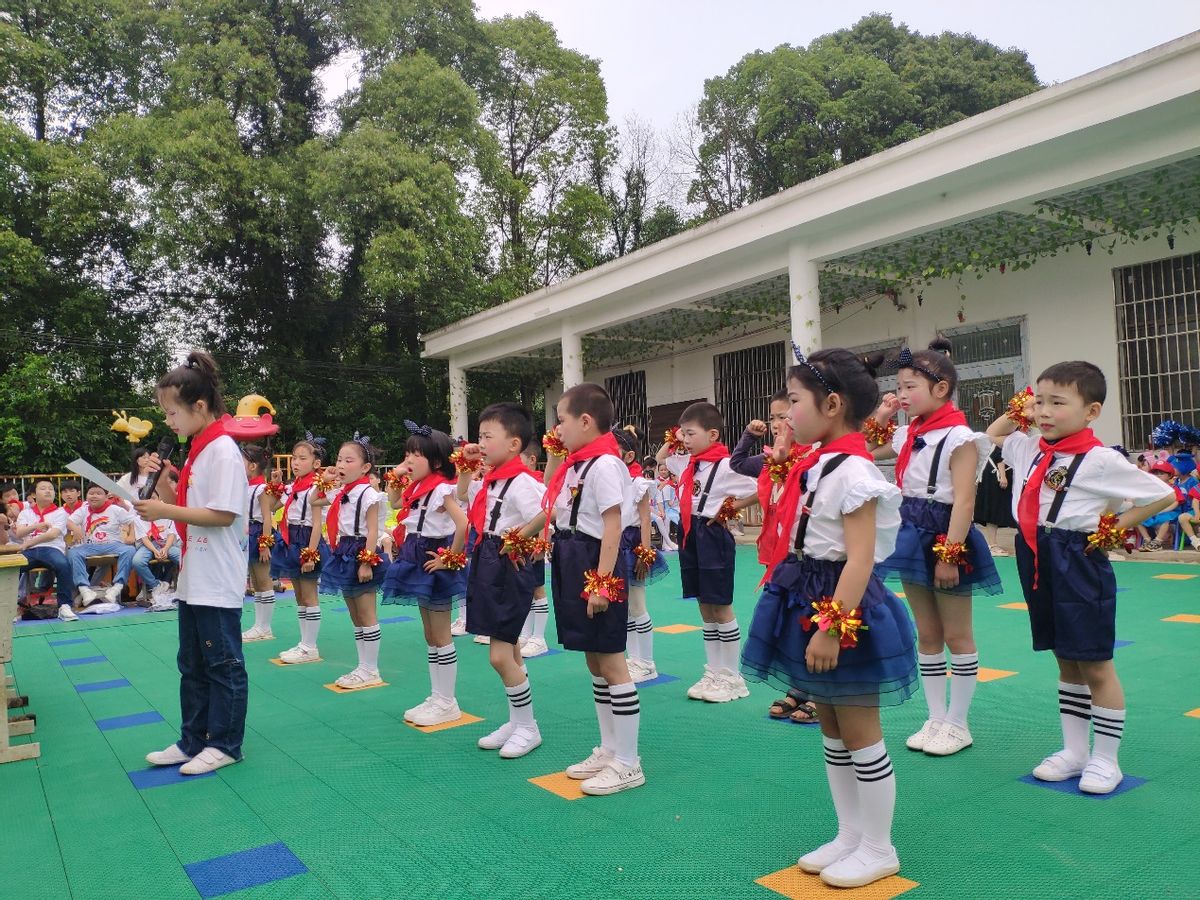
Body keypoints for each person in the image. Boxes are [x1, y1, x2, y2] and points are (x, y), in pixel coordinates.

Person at [741, 348, 916, 888]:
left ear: (833, 404)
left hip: (841, 604)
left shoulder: (855, 469)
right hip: (808, 591)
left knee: (860, 727)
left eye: (794, 401)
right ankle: (850, 833)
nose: (787, 413)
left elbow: (861, 558)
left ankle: (880, 846)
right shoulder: (818, 461)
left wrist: (830, 626)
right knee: (833, 725)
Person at [986, 361, 1176, 793]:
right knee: (1064, 656)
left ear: (1091, 411)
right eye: (1039, 401)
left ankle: (1106, 759)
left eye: (1057, 402)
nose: (1044, 411)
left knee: (1093, 659)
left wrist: (1113, 527)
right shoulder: (1029, 447)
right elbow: (994, 436)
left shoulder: (1100, 459)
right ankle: (1074, 751)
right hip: (1035, 555)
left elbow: (1164, 494)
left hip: (1077, 555)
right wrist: (1021, 409)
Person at [868, 341, 1001, 756]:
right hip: (910, 530)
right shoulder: (910, 431)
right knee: (927, 633)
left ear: (941, 389)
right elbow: (862, 452)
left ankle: (959, 723)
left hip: (945, 533)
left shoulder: (961, 436)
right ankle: (935, 717)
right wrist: (882, 416)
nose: (902, 395)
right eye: (899, 387)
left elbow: (964, 501)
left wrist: (950, 553)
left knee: (957, 635)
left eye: (910, 387)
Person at [136, 351, 250, 775]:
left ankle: (225, 744)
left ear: (199, 407)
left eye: (172, 413)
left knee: (222, 664)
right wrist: (165, 490)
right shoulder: (200, 450)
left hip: (216, 578)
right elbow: (190, 510)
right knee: (193, 664)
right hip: (195, 576)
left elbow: (223, 515)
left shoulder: (221, 449)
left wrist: (166, 511)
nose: (169, 422)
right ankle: (192, 739)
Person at [546, 384, 643, 794]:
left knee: (613, 662)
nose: (557, 430)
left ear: (585, 421)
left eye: (562, 421)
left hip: (594, 563)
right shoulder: (577, 463)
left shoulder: (604, 464)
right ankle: (608, 748)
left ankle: (628, 762)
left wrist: (602, 584)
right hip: (571, 556)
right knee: (594, 661)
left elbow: (611, 525)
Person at [458, 403, 547, 759]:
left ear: (513, 444)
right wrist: (466, 464)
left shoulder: (521, 481)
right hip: (487, 556)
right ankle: (517, 721)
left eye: (487, 436)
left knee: (499, 655)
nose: (481, 442)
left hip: (507, 562)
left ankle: (528, 726)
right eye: (479, 436)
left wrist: (519, 537)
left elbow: (546, 512)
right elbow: (462, 495)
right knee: (508, 649)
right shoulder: (491, 477)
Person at [656, 403, 759, 703]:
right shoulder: (688, 462)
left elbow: (761, 487)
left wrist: (730, 509)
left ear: (713, 435)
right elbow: (663, 457)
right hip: (690, 534)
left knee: (720, 604)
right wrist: (676, 437)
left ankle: (732, 676)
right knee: (704, 605)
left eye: (691, 433)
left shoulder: (726, 465)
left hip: (712, 533)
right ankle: (713, 671)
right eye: (682, 434)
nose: (684, 439)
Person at [731, 390, 820, 723]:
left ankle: (818, 692)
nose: (778, 423)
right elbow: (738, 464)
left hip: (805, 556)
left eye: (785, 415)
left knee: (812, 621)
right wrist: (748, 437)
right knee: (790, 625)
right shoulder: (771, 459)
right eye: (773, 418)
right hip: (776, 555)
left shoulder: (814, 458)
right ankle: (798, 688)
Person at [382, 423, 470, 727]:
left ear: (435, 461)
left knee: (441, 634)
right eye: (407, 453)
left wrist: (451, 558)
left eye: (415, 455)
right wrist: (398, 472)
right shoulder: (418, 486)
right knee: (430, 634)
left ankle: (448, 701)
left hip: (434, 557)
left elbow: (463, 524)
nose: (408, 459)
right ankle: (437, 696)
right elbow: (393, 502)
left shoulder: (442, 488)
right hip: (415, 556)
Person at [318, 434, 388, 689]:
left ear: (365, 467)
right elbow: (315, 500)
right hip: (344, 549)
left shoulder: (369, 495)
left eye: (349, 460)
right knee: (354, 612)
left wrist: (367, 561)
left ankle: (371, 669)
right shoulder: (341, 492)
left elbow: (372, 530)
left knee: (366, 612)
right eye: (339, 459)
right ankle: (363, 666)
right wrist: (325, 482)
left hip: (361, 550)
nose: (341, 465)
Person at [267, 434, 331, 664]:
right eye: (294, 458)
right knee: (299, 596)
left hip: (306, 539)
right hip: (290, 538)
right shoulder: (292, 486)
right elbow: (273, 507)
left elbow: (316, 525)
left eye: (302, 458)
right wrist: (276, 484)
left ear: (315, 463)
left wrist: (311, 554)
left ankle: (310, 646)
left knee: (309, 595)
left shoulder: (317, 486)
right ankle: (304, 644)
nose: (295, 463)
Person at [614, 425, 668, 683]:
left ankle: (646, 662)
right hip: (615, 543)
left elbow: (645, 520)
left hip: (632, 544)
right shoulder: (614, 479)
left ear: (629, 456)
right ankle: (633, 658)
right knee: (623, 607)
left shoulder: (639, 483)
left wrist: (644, 553)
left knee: (637, 604)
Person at [12, 478, 77, 621]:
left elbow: (52, 534)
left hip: (51, 548)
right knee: (11, 568)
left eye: (51, 489)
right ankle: (10, 607)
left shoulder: (60, 512)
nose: (48, 491)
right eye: (43, 488)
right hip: (30, 551)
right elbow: (19, 533)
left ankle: (64, 606)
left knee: (63, 565)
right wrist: (36, 526)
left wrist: (28, 543)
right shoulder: (26, 513)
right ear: (33, 495)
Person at [66, 484, 137, 606]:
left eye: (98, 493)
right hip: (90, 546)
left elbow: (132, 521)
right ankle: (84, 590)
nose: (94, 496)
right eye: (91, 493)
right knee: (73, 552)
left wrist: (132, 536)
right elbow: (69, 522)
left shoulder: (115, 509)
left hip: (113, 545)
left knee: (130, 550)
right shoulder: (83, 510)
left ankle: (116, 588)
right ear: (86, 496)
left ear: (106, 496)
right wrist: (76, 529)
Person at [518, 440, 553, 658]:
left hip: (533, 543)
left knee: (537, 589)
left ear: (532, 459)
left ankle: (539, 638)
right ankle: (525, 634)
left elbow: (546, 514)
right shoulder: (519, 482)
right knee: (525, 589)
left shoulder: (538, 483)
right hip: (519, 542)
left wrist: (542, 543)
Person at [241, 444, 276, 641]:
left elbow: (267, 517)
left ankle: (265, 627)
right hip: (248, 532)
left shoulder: (262, 488)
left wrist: (264, 544)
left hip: (259, 533)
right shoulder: (246, 486)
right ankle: (258, 625)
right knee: (255, 581)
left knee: (264, 581)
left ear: (253, 466)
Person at [131, 505, 181, 609]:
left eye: (154, 498)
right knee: (137, 561)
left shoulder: (167, 515)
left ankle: (184, 588)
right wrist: (154, 550)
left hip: (166, 544)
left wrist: (166, 548)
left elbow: (171, 534)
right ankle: (156, 585)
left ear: (158, 500)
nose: (151, 501)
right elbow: (144, 538)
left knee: (182, 557)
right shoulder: (138, 518)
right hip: (148, 546)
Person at [974, 445, 1015, 554]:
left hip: (997, 474)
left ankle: (993, 544)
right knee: (993, 510)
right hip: (996, 476)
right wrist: (1003, 475)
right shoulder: (1004, 436)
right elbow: (1000, 455)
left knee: (995, 510)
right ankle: (993, 545)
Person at [1135, 462, 1182, 550]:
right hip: (1155, 511)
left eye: (1161, 473)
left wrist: (1162, 511)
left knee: (1165, 518)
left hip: (1171, 511)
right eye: (1156, 473)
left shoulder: (1174, 487)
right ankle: (1147, 539)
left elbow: (1176, 503)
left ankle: (1158, 541)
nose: (1158, 475)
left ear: (1169, 475)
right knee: (1137, 518)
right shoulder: (1152, 488)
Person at [649, 463, 679, 551]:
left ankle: (666, 544)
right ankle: (667, 543)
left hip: (664, 508)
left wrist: (662, 512)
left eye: (665, 470)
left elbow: (661, 502)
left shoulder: (671, 480)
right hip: (654, 509)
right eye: (661, 470)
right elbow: (652, 500)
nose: (663, 472)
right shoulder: (656, 482)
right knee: (663, 518)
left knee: (667, 518)